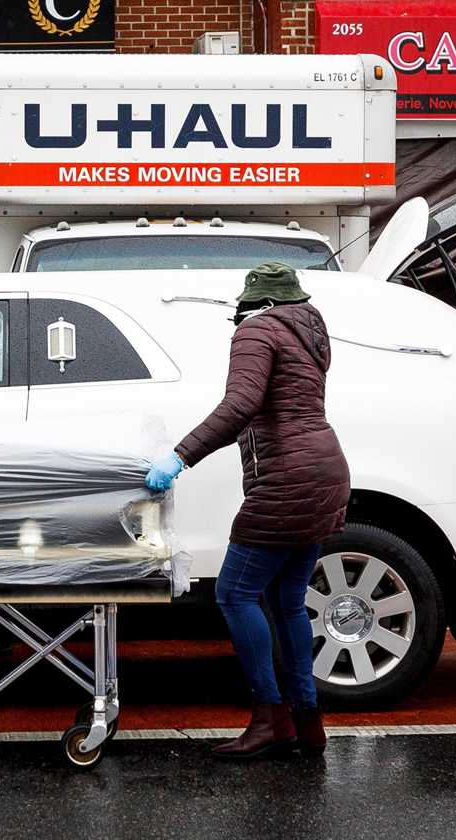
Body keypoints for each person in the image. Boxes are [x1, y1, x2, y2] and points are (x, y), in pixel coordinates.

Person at [143, 261, 351, 760]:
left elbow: (240, 405)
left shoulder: (257, 330)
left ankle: (269, 719)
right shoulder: (311, 331)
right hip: (324, 472)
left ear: (254, 303)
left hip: (287, 480)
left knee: (236, 593)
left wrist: (181, 455)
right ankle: (307, 722)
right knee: (286, 601)